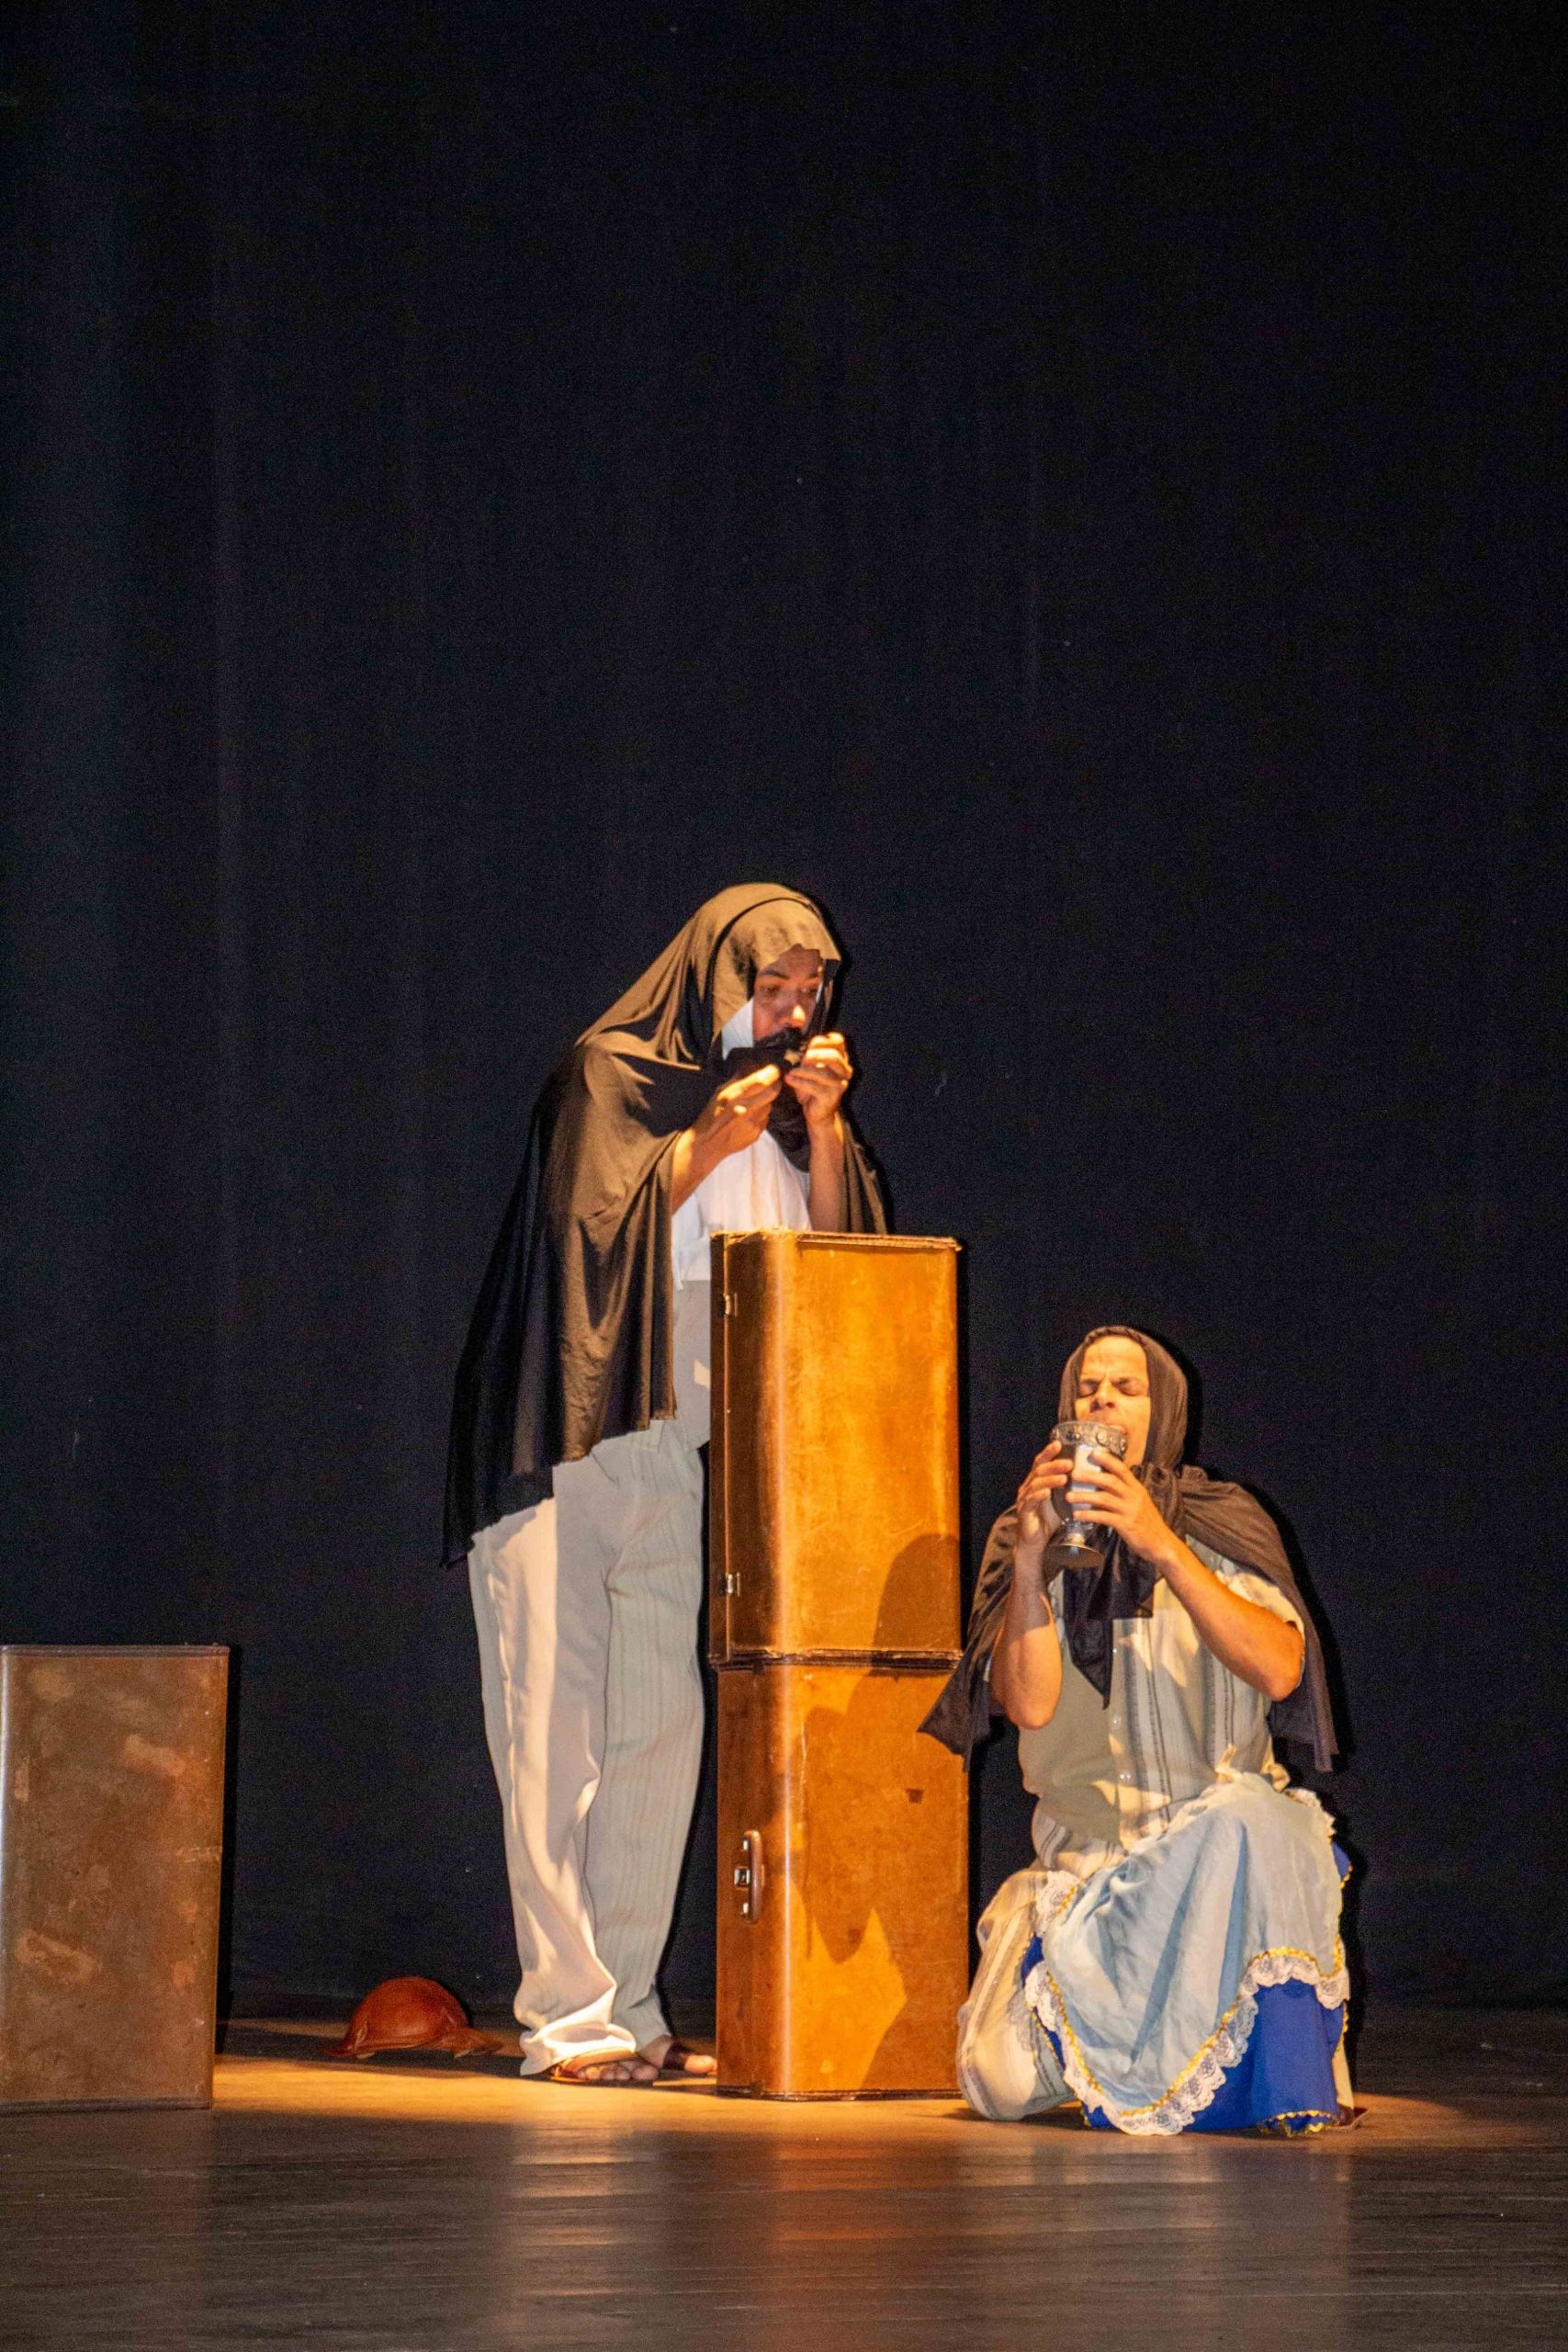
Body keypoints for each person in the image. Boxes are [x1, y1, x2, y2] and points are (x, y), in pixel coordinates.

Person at [445, 885, 885, 2084]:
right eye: (770, 987)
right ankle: (565, 2017)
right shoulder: (610, 1075)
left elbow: (839, 1273)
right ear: (714, 979)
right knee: (554, 1735)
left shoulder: (780, 1117)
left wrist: (822, 1132)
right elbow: (580, 1241)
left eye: (808, 992)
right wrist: (708, 1145)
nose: (789, 1012)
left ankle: (629, 2010)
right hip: (569, 1436)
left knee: (658, 1731)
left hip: (676, 1449)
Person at [924, 1325, 1349, 2133]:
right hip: (1091, 1865)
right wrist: (1030, 1559)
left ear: (1166, 1410)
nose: (1102, 1403)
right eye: (1086, 1390)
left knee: (1252, 1816)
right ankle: (1068, 1983)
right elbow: (1028, 1707)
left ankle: (1261, 2082)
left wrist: (1161, 1542)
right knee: (997, 2085)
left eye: (1125, 1388)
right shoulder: (1025, 1533)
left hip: (1217, 1863)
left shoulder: (1223, 1521)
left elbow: (1279, 1670)